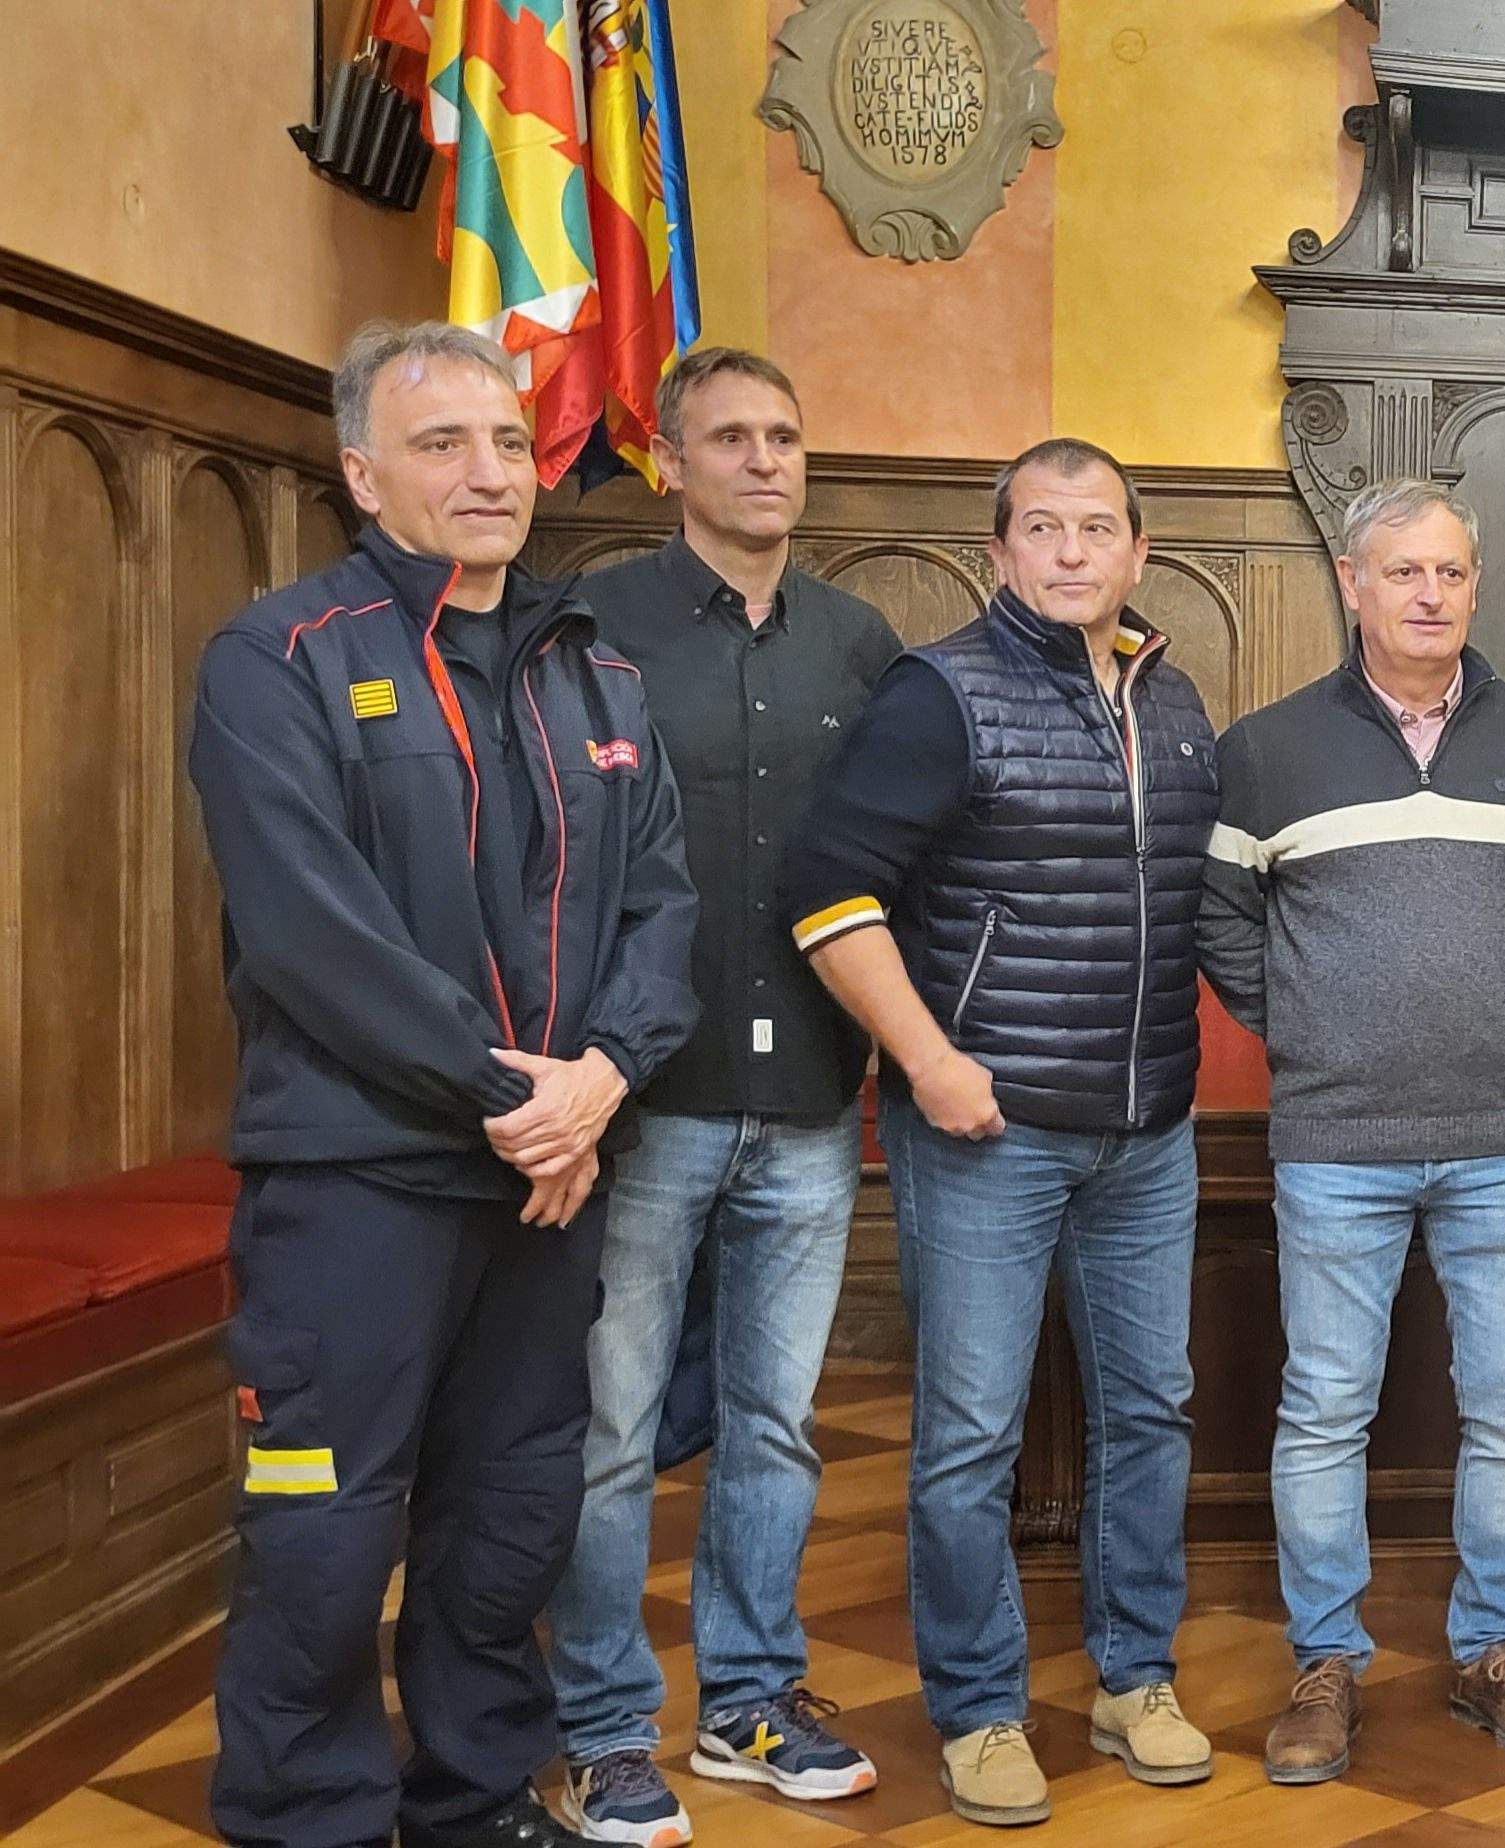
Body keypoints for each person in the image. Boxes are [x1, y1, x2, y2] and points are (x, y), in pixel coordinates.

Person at [190, 319, 699, 1848]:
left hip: (552, 1183)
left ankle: (475, 1803)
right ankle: (308, 1820)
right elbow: (310, 936)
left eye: (504, 440)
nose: (488, 473)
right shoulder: (276, 657)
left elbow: (664, 906)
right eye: (439, 445)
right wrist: (518, 1100)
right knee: (323, 1532)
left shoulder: (591, 669)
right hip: (358, 1181)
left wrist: (601, 1081)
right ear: (360, 472)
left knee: (509, 1522)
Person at [775, 439, 1223, 1828]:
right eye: (1046, 528)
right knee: (972, 1437)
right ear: (1000, 553)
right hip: (990, 1131)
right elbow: (827, 894)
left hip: (1148, 1130)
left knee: (1153, 1415)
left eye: (1100, 528)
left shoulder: (1173, 693)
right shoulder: (940, 694)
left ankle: (1136, 1679)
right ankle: (977, 1709)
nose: (1075, 552)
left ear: (1139, 553)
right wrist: (927, 1061)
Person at [547, 346, 902, 1847]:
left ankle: (752, 1696)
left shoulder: (861, 642)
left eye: (787, 434)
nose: (767, 460)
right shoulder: (596, 628)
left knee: (774, 1424)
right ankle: (604, 1729)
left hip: (815, 1097)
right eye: (732, 438)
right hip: (648, 1099)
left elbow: (903, 862)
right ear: (670, 463)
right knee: (611, 1427)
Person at [1199, 478, 1505, 1783]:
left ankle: (1492, 1652)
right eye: (1404, 572)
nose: (1430, 594)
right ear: (1353, 587)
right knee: (1324, 1409)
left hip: (1502, 1136)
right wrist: (1310, 1026)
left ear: (1477, 589)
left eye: (1452, 573)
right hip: (1336, 1139)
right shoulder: (1266, 748)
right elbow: (1218, 920)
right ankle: (1326, 1661)